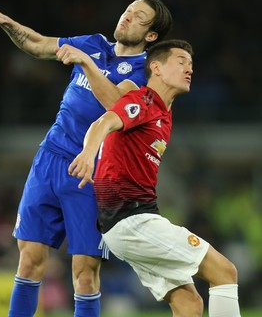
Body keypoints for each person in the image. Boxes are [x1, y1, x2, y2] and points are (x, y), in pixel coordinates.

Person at [0, 0, 173, 317]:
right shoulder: (93, 43)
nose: (127, 16)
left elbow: (115, 104)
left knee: (84, 273)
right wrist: (6, 23)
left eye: (139, 17)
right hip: (50, 158)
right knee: (29, 260)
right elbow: (39, 44)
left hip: (94, 172)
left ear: (151, 35)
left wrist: (85, 62)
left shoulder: (146, 74)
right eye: (128, 10)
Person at [69, 39, 241, 317]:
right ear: (157, 68)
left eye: (192, 64)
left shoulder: (164, 114)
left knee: (189, 303)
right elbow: (102, 123)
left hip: (130, 223)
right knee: (224, 271)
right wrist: (89, 153)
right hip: (132, 221)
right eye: (181, 61)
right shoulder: (145, 100)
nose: (190, 69)